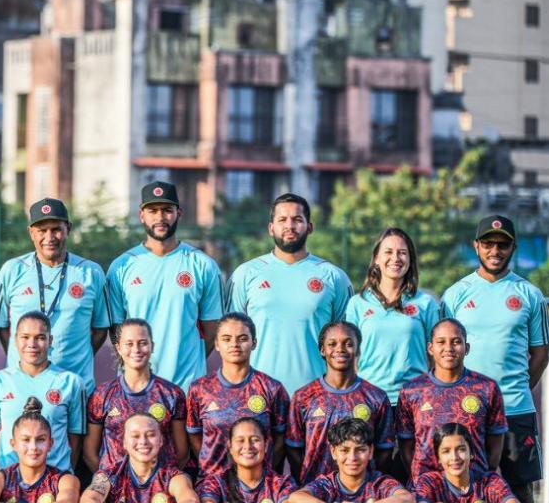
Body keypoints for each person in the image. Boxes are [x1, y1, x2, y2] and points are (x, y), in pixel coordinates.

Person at [440, 214, 549, 503]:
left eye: (502, 244)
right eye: (488, 243)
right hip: (466, 413)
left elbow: (540, 354)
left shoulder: (530, 295)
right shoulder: (455, 295)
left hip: (516, 411)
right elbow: (443, 348)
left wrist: (512, 394)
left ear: (512, 249)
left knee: (520, 490)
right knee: (459, 488)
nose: (495, 250)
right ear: (476, 247)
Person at [226, 193, 352, 395]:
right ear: (271, 228)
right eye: (282, 220)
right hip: (257, 397)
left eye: (297, 220)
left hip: (317, 397)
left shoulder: (334, 277)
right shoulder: (245, 274)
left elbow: (347, 342)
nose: (289, 226)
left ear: (309, 227)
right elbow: (229, 339)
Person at [105, 182, 222, 390]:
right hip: (135, 389)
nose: (160, 217)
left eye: (167, 210)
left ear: (179, 213)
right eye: (152, 211)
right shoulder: (121, 266)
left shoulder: (202, 265)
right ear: (142, 215)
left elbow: (212, 330)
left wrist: (186, 362)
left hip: (186, 387)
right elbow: (117, 331)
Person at [0, 198, 109, 393]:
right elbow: (3, 327)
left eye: (56, 229)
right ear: (31, 233)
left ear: (68, 229)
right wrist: (23, 356)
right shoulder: (12, 270)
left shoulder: (91, 273)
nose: (49, 237)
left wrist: (74, 355)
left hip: (75, 386)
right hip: (22, 385)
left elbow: (100, 329)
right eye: (41, 231)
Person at [397, 318, 507, 481]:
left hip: (473, 486)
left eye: (456, 342)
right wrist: (420, 479)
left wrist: (480, 476)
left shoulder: (486, 388)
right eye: (441, 342)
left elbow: (495, 446)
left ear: (466, 348)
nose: (448, 348)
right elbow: (406, 446)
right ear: (430, 348)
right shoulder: (412, 390)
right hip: (426, 488)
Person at [286, 322, 395, 485]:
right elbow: (294, 449)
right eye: (332, 344)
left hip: (362, 497)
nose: (340, 349)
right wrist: (307, 483)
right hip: (315, 493)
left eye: (349, 344)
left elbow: (384, 450)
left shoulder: (376, 397)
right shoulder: (303, 397)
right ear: (323, 350)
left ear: (358, 350)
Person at [185, 313, 289, 479]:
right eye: (226, 339)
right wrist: (210, 467)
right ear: (217, 344)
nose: (234, 344)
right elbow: (194, 435)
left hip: (258, 485)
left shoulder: (272, 388)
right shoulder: (199, 389)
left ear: (253, 343)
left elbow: (280, 439)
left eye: (242, 338)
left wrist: (264, 470)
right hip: (213, 484)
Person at [344, 228, 438, 405]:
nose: (395, 258)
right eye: (388, 252)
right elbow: (350, 358)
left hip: (415, 401)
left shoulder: (426, 303)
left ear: (410, 261)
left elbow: (435, 358)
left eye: (402, 253)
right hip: (369, 401)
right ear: (376, 259)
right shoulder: (357, 303)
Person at [0, 312, 86, 471]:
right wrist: (7, 470)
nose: (32, 344)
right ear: (15, 339)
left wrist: (60, 474)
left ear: (50, 340)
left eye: (40, 337)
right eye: (25, 337)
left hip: (57, 482)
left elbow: (75, 438)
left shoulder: (70, 382)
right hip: (10, 483)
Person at [85, 318, 187, 474]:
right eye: (129, 344)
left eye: (143, 343)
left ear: (152, 346)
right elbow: (90, 453)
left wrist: (159, 482)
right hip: (113, 491)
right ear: (118, 348)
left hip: (159, 491)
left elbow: (182, 452)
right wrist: (110, 483)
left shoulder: (171, 394)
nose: (136, 349)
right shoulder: (102, 395)